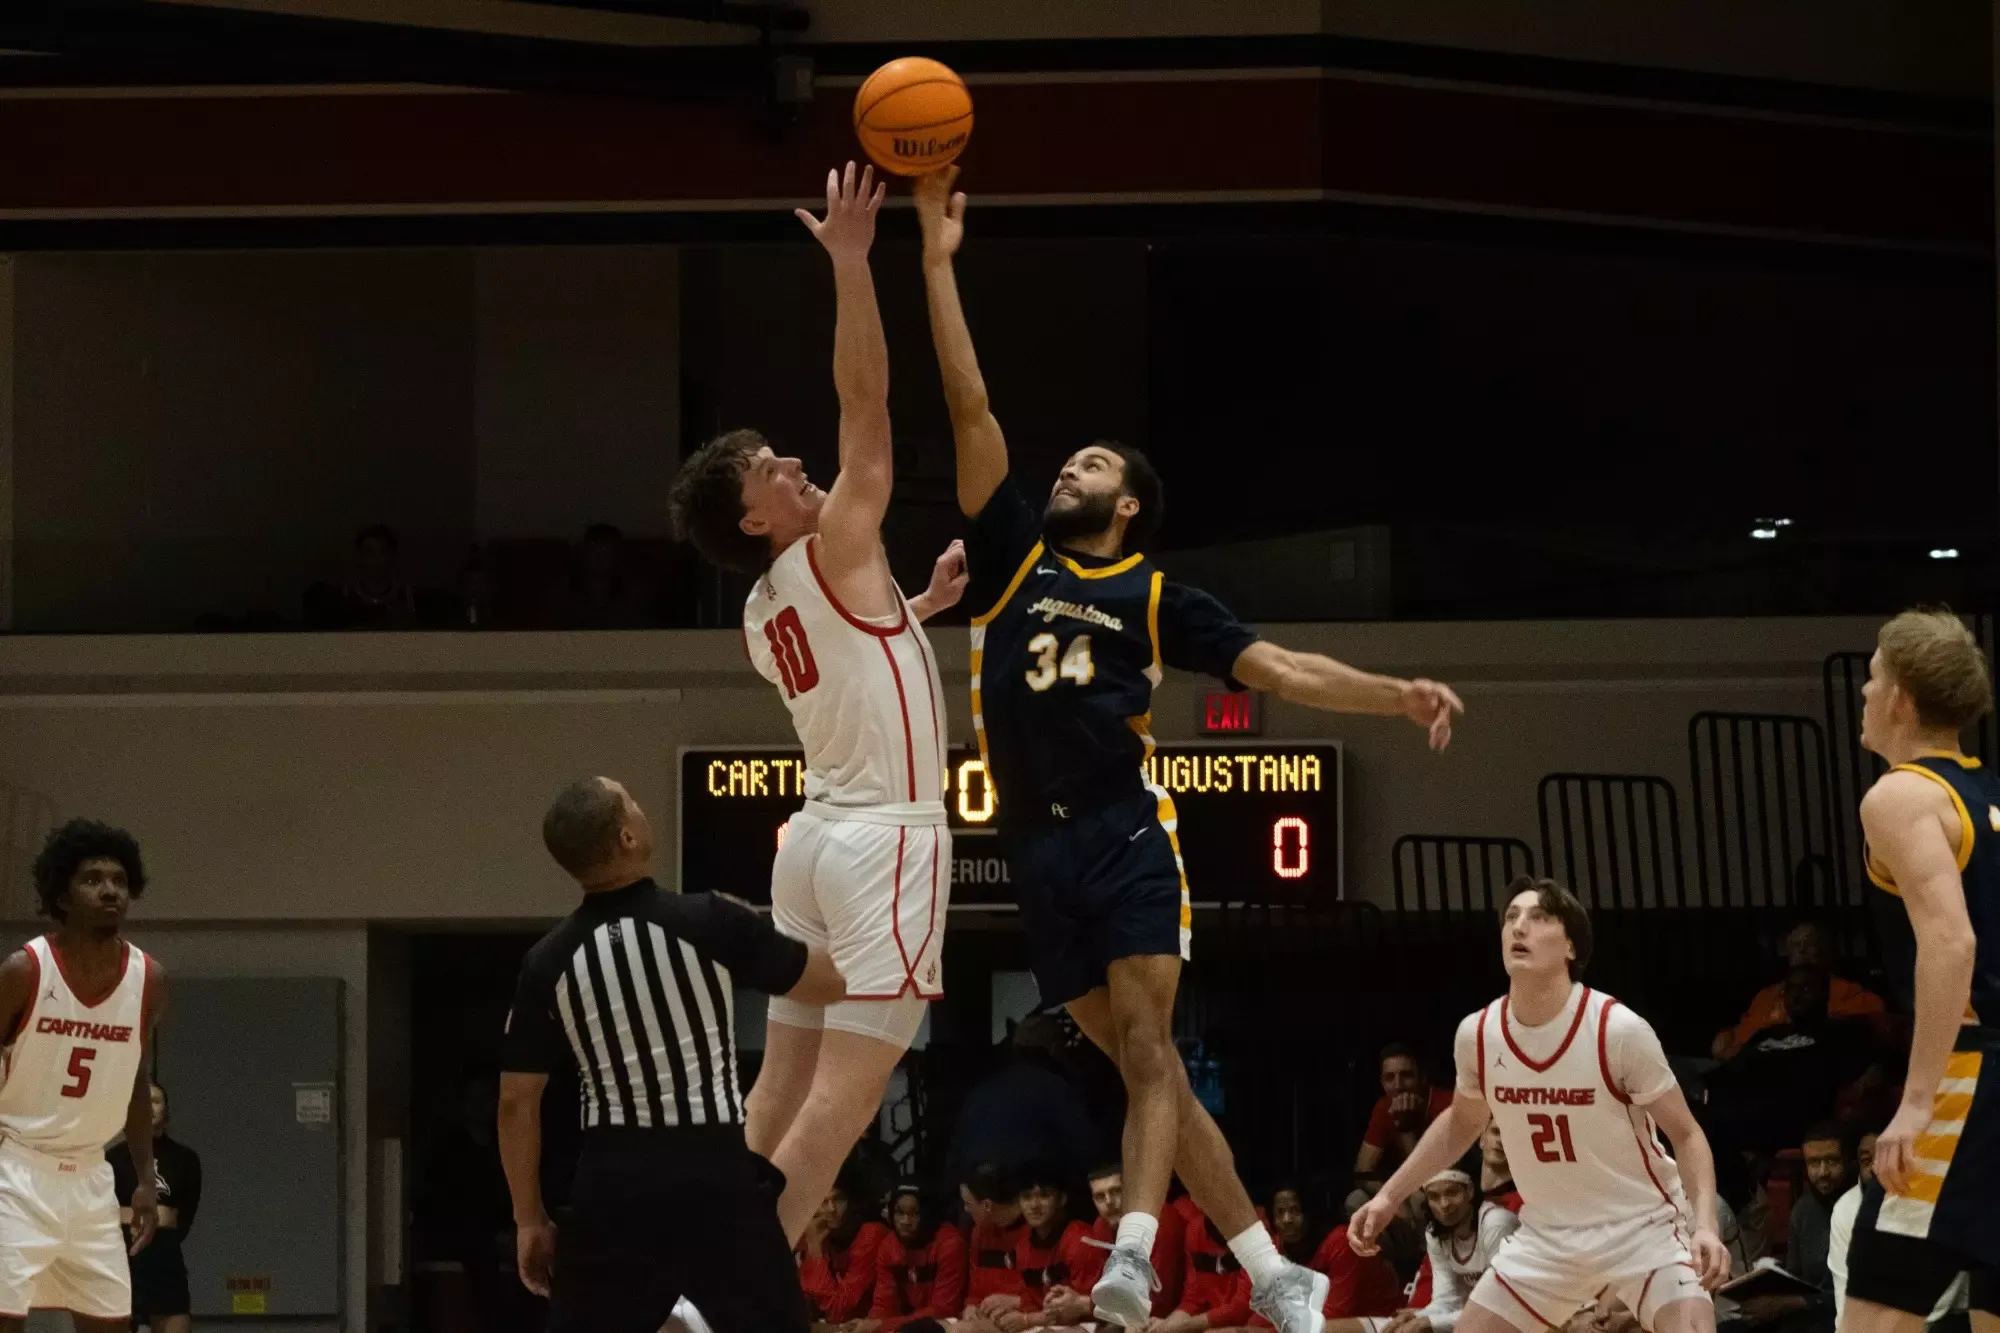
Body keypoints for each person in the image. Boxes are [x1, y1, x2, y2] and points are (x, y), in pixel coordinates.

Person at [914, 163, 1464, 1333]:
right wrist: (934, 262)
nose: (1068, 467)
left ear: (1127, 507)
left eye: (1091, 468)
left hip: (1122, 833)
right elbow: (970, 410)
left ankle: (1128, 1258)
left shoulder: (1157, 594)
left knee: (1153, 1046)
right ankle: (1272, 1272)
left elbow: (1284, 669)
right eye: (1067, 462)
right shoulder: (1014, 556)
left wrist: (1390, 694)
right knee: (1138, 1070)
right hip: (1030, 844)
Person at [666, 162, 969, 1249]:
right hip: (883, 838)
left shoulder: (761, 613)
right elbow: (866, 408)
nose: (791, 463)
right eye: (766, 470)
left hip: (810, 847)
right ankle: (728, 1295)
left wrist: (907, 612)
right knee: (843, 1105)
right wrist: (850, 265)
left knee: (774, 1096)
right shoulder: (835, 545)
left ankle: (695, 1280)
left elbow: (850, 666)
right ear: (752, 519)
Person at [496, 777, 846, 1333]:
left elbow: (517, 1102)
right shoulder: (709, 920)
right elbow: (823, 982)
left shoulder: (547, 962)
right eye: (632, 801)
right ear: (627, 837)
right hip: (715, 1176)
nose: (641, 807)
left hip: (613, 1188)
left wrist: (529, 1219)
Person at [1350, 877, 1731, 1333]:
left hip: (1643, 1229)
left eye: (1539, 917)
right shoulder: (1479, 1033)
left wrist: (1705, 1225)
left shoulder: (1617, 1029)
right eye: (1512, 917)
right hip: (1549, 1238)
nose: (1519, 927)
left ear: (1571, 945)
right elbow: (1461, 1124)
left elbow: (1687, 1134)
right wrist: (1390, 1196)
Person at [1842, 609, 1999, 1333]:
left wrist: (1914, 1102)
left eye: (1872, 677)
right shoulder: (1988, 795)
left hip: (1966, 1079)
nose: (1865, 693)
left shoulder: (1901, 795)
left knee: (1877, 1310)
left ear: (1899, 695)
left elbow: (1950, 942)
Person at [0, 818, 165, 1332]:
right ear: (63, 895)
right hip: (15, 1169)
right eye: (92, 879)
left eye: (118, 880)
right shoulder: (25, 970)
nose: (110, 890)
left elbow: (134, 1082)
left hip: (93, 1176)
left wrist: (143, 1180)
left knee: (113, 1322)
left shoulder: (149, 978)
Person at [1706, 968, 1886, 1163]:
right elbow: (1729, 1070)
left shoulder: (1843, 1031)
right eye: (1790, 989)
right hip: (1738, 1107)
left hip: (1792, 1115)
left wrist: (1863, 1085)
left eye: (1806, 988)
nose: (1796, 996)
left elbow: (1882, 1064)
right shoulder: (1767, 1034)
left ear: (1825, 993)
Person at [1727, 1124, 1849, 1333]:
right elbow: (1795, 1276)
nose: (1823, 1172)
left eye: (1832, 1161)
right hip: (1804, 1313)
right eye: (1814, 1162)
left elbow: (1852, 1294)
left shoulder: (1857, 1209)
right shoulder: (1803, 1209)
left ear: (1848, 1162)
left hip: (1838, 1316)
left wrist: (1787, 1303)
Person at [1713, 923, 1888, 1062]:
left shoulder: (1843, 990)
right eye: (1796, 945)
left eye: (1810, 944)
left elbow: (1873, 1017)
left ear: (1826, 952)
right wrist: (1730, 1041)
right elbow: (1742, 1032)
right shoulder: (1768, 994)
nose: (1802, 951)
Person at [110, 1084, 202, 1333]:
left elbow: (187, 1212)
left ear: (166, 1109)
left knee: (175, 1319)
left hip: (165, 1255)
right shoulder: (113, 1158)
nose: (148, 1107)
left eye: (156, 1101)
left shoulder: (185, 1158)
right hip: (121, 1255)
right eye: (142, 1100)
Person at [1387, 1168, 1522, 1333]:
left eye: (1452, 1193)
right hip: (1481, 1318)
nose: (1444, 1204)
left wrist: (1430, 1322)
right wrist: (1420, 1317)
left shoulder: (1495, 1222)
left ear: (1470, 1191)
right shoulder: (1434, 1234)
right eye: (1434, 1197)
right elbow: (1446, 1300)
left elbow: (1501, 1305)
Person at [1064, 1163, 1185, 1320]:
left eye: (1116, 1191)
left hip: (1174, 1317)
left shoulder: (1158, 1221)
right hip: (1132, 1316)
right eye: (1100, 1197)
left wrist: (1087, 1305)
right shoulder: (1102, 1225)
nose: (1108, 1202)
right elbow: (1106, 1287)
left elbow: (1160, 1304)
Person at [865, 1185, 967, 1333]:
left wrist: (883, 1325)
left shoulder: (949, 1243)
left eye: (914, 1213)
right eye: (899, 1212)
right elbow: (883, 1305)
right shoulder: (888, 1246)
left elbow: (943, 1309)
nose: (905, 1221)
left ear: (927, 1214)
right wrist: (871, 1326)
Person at [1356, 1048, 1456, 1187]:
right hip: (1401, 1188)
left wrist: (1405, 1128)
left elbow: (1434, 1179)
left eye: (1406, 1076)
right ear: (1382, 1083)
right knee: (1355, 1199)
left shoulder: (1448, 1104)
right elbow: (1362, 1172)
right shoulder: (1384, 1106)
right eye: (1390, 1078)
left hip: (1442, 1186)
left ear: (1422, 1077)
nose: (1398, 1086)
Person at [800, 1179, 893, 1326]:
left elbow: (838, 1310)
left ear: (849, 1202)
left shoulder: (870, 1234)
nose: (831, 1209)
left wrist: (815, 1249)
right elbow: (805, 1301)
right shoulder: (821, 1233)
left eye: (838, 1200)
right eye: (823, 1201)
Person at [1008, 1166, 1089, 1330]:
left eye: (1044, 1196)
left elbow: (1083, 1309)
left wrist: (1028, 1319)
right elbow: (1029, 1301)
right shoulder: (1022, 1245)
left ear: (1062, 1199)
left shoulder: (1081, 1241)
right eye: (1026, 1197)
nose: (1034, 1205)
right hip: (1044, 1324)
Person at [961, 1163, 1030, 1323]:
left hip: (1025, 1320)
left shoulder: (1036, 1230)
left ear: (987, 1205)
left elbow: (1052, 1291)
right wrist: (971, 1305)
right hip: (986, 1320)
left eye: (968, 1204)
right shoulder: (979, 1233)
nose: (965, 1209)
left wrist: (1018, 1302)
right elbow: (974, 1290)